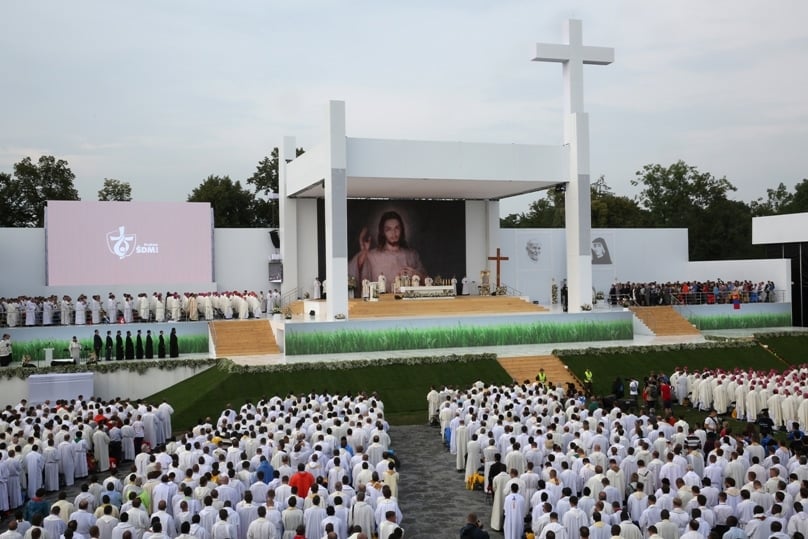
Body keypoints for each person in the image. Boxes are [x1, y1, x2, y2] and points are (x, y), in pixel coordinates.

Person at [348, 210, 427, 285]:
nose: (393, 233)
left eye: (397, 228)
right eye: (388, 229)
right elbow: (352, 273)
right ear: (382, 232)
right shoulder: (372, 256)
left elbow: (427, 281)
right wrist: (363, 252)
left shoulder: (412, 255)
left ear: (402, 229)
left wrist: (416, 275)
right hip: (382, 299)